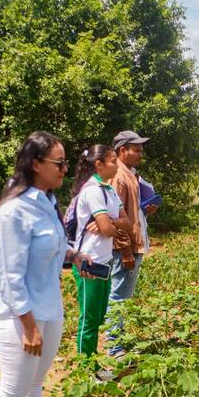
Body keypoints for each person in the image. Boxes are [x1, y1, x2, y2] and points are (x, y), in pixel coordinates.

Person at [0, 131, 92, 397]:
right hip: (21, 315)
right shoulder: (14, 211)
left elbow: (50, 246)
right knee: (11, 393)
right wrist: (29, 325)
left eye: (65, 163)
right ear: (35, 164)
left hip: (49, 307)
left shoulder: (48, 203)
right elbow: (9, 275)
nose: (64, 170)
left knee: (34, 385)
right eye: (58, 163)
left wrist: (73, 256)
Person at [70, 144, 130, 358]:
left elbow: (127, 223)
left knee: (99, 316)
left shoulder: (109, 190)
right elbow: (107, 230)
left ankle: (93, 363)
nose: (117, 165)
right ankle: (86, 367)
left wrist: (109, 221)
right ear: (99, 164)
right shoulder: (93, 191)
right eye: (113, 161)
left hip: (104, 261)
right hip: (89, 263)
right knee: (89, 319)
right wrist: (111, 225)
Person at [107, 130, 156, 357]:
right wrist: (125, 250)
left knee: (122, 297)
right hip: (125, 248)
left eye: (141, 150)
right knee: (118, 297)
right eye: (136, 150)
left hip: (133, 244)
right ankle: (115, 347)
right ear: (122, 150)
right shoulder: (118, 176)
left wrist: (146, 209)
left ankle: (118, 341)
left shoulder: (131, 175)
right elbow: (114, 218)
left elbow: (130, 212)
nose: (140, 154)